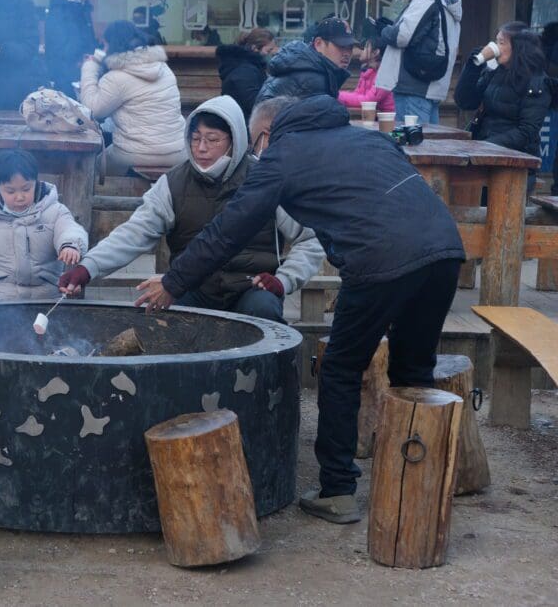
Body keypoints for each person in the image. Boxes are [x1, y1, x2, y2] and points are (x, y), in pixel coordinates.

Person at [134, 94, 465, 524]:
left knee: (341, 368)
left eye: (254, 143)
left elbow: (228, 230)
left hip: (379, 261)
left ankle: (338, 490)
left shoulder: (282, 156)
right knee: (413, 370)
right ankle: (426, 480)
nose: (255, 152)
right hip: (444, 250)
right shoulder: (368, 139)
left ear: (267, 134)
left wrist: (174, 283)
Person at [58, 95, 323, 323]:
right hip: (192, 288)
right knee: (162, 312)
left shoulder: (265, 179)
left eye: (213, 139)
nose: (202, 148)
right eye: (195, 138)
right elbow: (134, 232)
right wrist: (88, 267)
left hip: (250, 288)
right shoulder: (173, 183)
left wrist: (283, 281)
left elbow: (310, 239)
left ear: (235, 140)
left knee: (262, 309)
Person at [0, 150, 88, 300]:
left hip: (46, 297)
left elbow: (69, 229)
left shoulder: (55, 211)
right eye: (10, 191)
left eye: (26, 189)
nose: (20, 197)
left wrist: (70, 245)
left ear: (36, 182)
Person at [454, 22, 552, 193]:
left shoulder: (537, 81)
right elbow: (465, 101)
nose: (495, 47)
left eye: (501, 43)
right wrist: (473, 65)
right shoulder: (495, 71)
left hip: (515, 161)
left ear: (518, 48)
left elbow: (526, 131)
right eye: (496, 41)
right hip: (485, 154)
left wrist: (485, 146)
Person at [79, 21, 185, 176]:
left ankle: (103, 200)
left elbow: (92, 110)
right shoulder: (164, 69)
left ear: (113, 45)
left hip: (135, 155)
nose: (104, 50)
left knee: (91, 167)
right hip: (177, 151)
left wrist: (90, 66)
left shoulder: (116, 78)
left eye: (105, 45)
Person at [376, 0, 462, 125]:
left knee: (412, 145)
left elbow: (402, 36)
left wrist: (383, 30)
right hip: (430, 84)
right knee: (429, 144)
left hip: (413, 85)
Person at [255, 17, 354, 103]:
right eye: (340, 46)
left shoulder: (309, 67)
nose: (346, 53)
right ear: (318, 44)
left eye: (350, 47)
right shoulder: (312, 78)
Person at [45, 0, 97, 98]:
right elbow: (57, 46)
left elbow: (89, 38)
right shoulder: (58, 10)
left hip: (83, 69)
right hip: (64, 72)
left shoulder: (84, 8)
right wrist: (79, 58)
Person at [217, 28, 278, 123]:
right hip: (243, 123)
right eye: (268, 50)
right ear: (255, 48)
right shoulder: (245, 71)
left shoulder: (248, 67)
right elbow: (254, 104)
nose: (271, 54)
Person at [337, 32, 394, 113]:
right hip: (372, 117)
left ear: (375, 52)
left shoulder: (385, 75)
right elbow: (357, 95)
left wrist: (337, 95)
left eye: (365, 48)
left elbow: (368, 101)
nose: (361, 51)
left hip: (386, 121)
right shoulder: (368, 72)